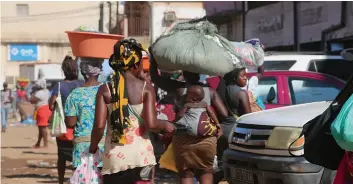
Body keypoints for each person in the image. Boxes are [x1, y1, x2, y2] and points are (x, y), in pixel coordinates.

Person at [89, 38, 176, 184]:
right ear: (136, 64)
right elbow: (152, 124)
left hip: (114, 159)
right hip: (141, 157)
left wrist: (93, 148)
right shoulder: (146, 89)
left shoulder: (105, 89)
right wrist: (167, 125)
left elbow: (99, 126)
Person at [149, 49, 228, 184]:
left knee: (186, 173)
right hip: (206, 140)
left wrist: (153, 58)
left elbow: (155, 78)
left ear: (184, 74)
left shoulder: (180, 89)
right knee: (206, 171)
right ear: (199, 73)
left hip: (184, 140)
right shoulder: (210, 91)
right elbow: (224, 114)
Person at [64, 57, 105, 169]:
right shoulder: (108, 91)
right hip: (104, 144)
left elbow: (70, 123)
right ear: (99, 70)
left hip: (82, 145)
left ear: (82, 71)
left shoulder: (75, 94)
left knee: (83, 177)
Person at [49, 55, 83, 184]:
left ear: (63, 70)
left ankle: (61, 181)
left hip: (63, 128)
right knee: (79, 155)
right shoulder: (81, 84)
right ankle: (77, 179)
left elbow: (51, 106)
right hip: (80, 126)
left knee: (61, 156)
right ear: (76, 69)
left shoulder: (59, 86)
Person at [30, 79, 52, 148]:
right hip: (46, 109)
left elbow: (32, 101)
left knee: (42, 128)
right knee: (41, 128)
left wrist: (32, 93)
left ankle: (45, 144)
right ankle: (38, 143)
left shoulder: (39, 93)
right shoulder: (47, 91)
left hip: (42, 110)